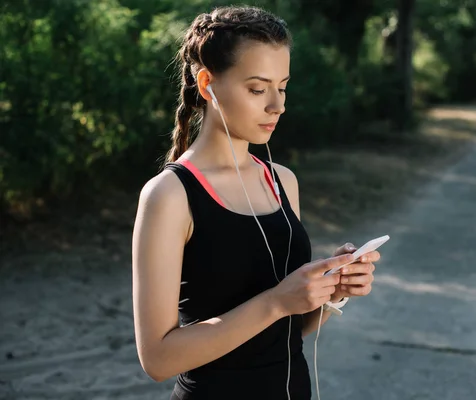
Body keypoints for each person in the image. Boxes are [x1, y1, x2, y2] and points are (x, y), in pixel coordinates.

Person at [131, 6, 380, 400]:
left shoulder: (282, 181)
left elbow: (288, 326)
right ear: (208, 83)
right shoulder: (169, 195)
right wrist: (277, 301)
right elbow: (158, 359)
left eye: (283, 86)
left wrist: (330, 291)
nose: (277, 105)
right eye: (257, 88)